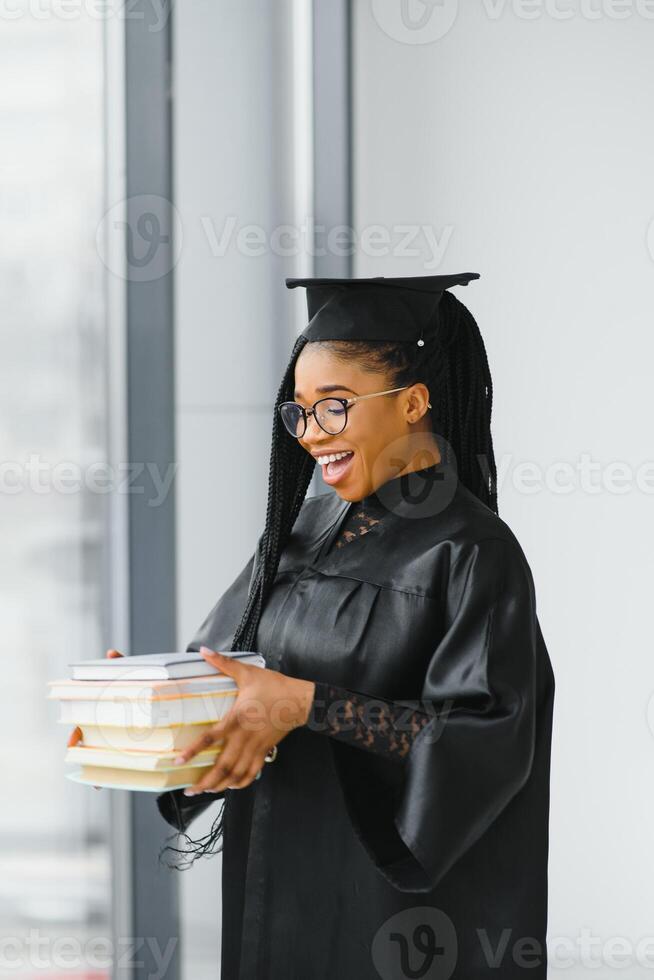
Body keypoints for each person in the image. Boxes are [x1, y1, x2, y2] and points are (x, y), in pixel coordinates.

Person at [92, 273, 556, 979]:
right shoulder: (299, 535)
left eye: (333, 409)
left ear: (412, 403)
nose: (310, 436)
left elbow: (482, 746)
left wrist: (307, 705)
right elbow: (230, 671)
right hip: (273, 896)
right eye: (298, 413)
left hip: (396, 928)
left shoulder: (470, 552)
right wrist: (152, 709)